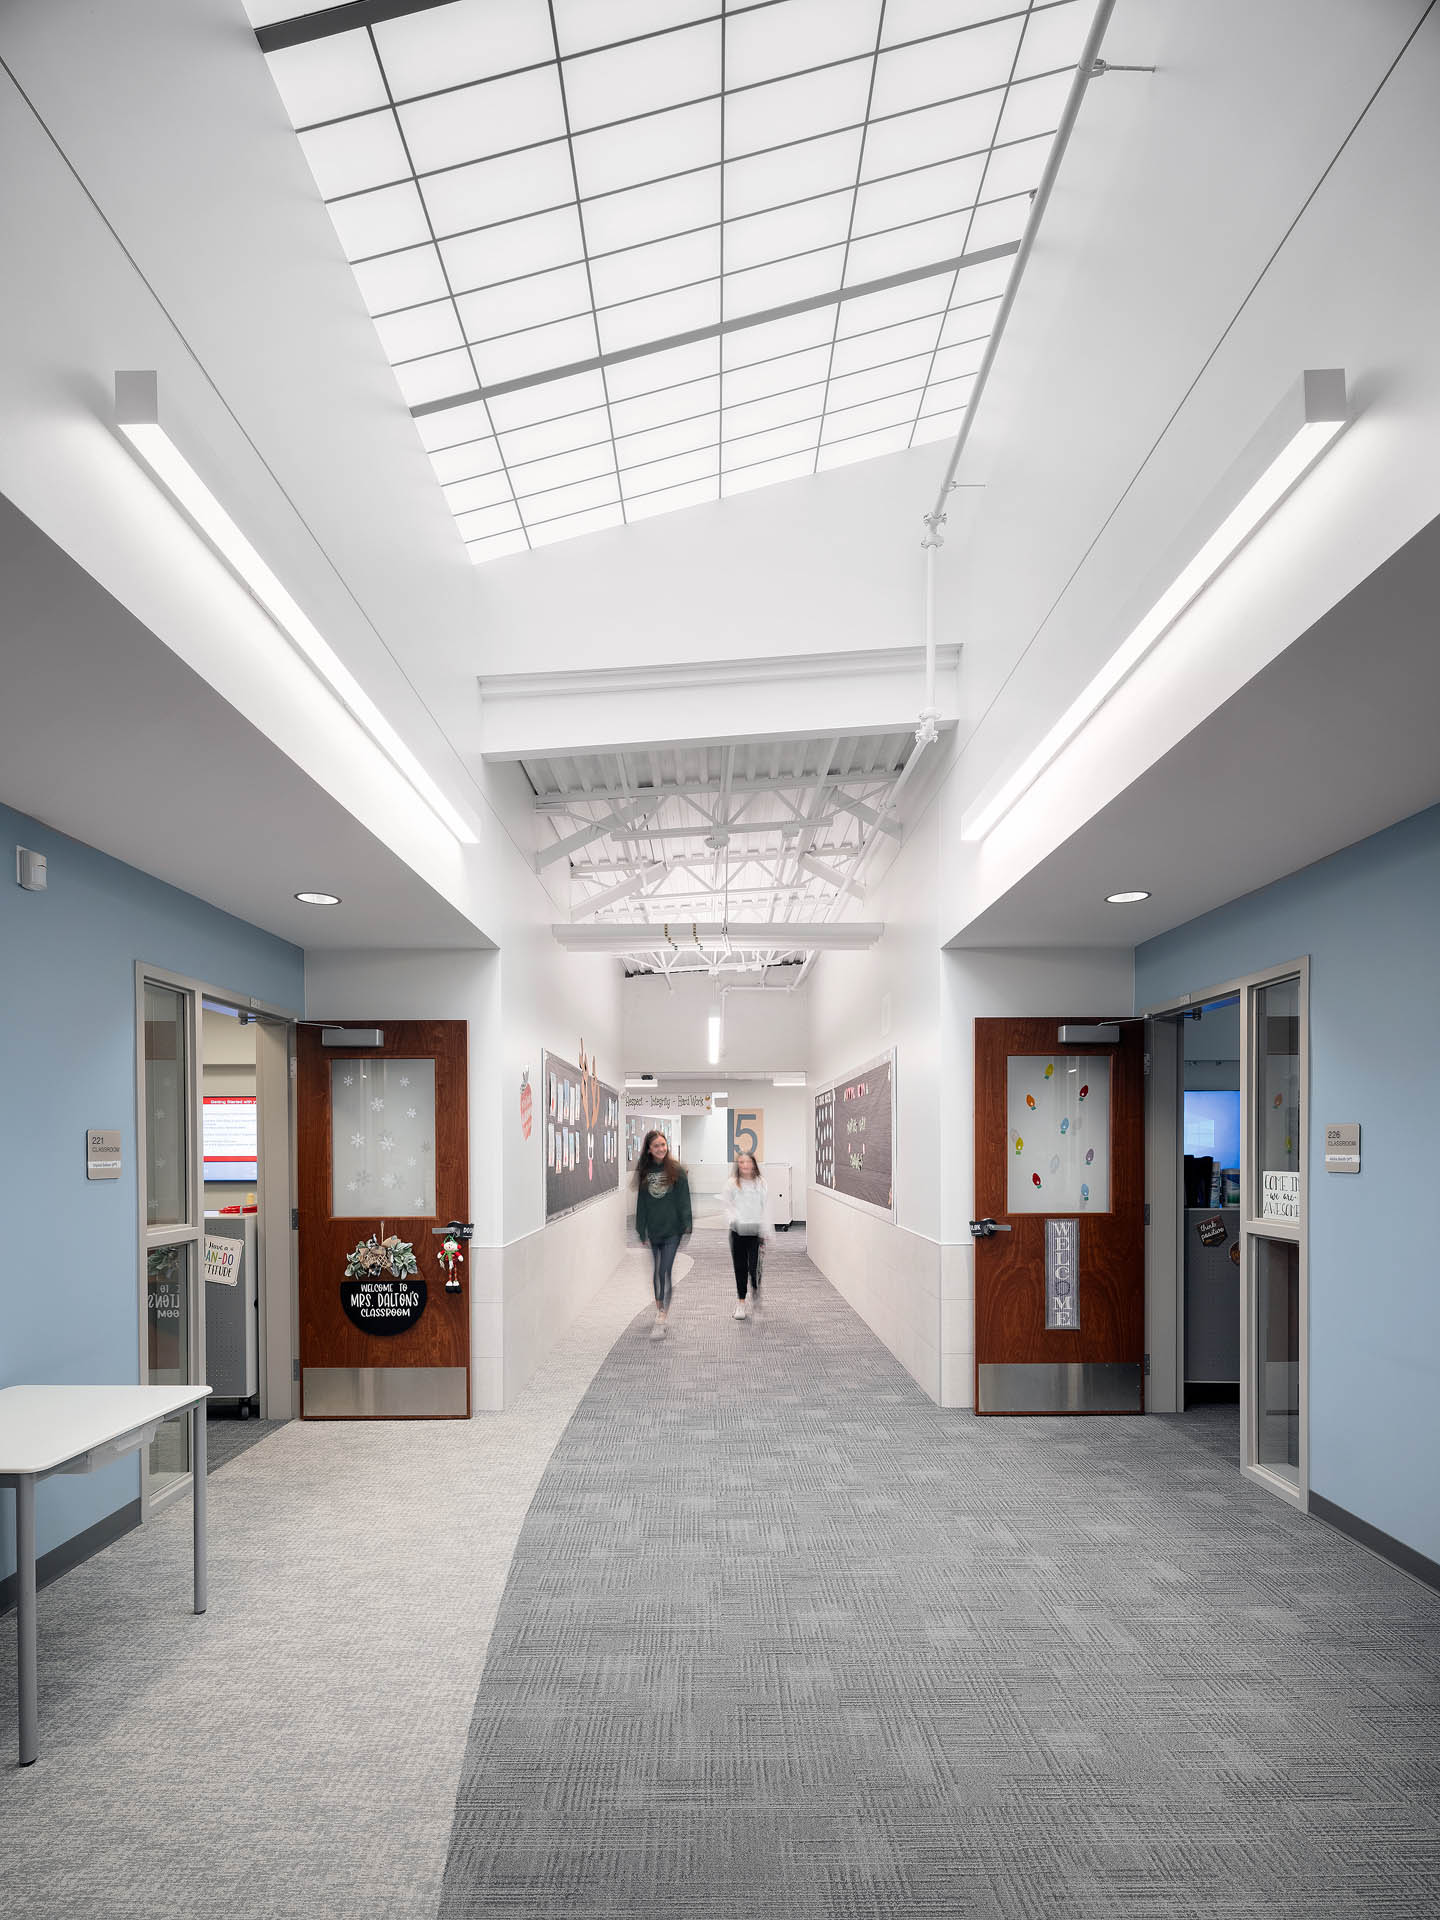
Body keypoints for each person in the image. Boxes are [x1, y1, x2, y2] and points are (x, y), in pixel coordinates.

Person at [633, 1129, 692, 1339]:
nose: (661, 1149)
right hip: (654, 1230)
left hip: (673, 1231)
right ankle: (660, 1307)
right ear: (649, 1149)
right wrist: (641, 1230)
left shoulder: (676, 1170)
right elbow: (642, 1204)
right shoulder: (645, 1173)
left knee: (665, 1270)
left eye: (663, 1145)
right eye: (656, 1145)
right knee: (657, 1271)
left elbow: (685, 1200)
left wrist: (688, 1224)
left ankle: (661, 1316)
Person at [722, 1151, 773, 1320]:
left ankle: (757, 1299)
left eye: (748, 1162)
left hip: (756, 1233)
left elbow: (766, 1208)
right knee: (740, 1268)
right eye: (741, 1162)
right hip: (737, 1233)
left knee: (755, 1269)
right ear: (738, 1165)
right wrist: (734, 1219)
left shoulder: (761, 1183)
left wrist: (767, 1232)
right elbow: (728, 1206)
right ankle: (741, 1303)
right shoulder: (732, 1184)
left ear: (753, 1164)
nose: (745, 1165)